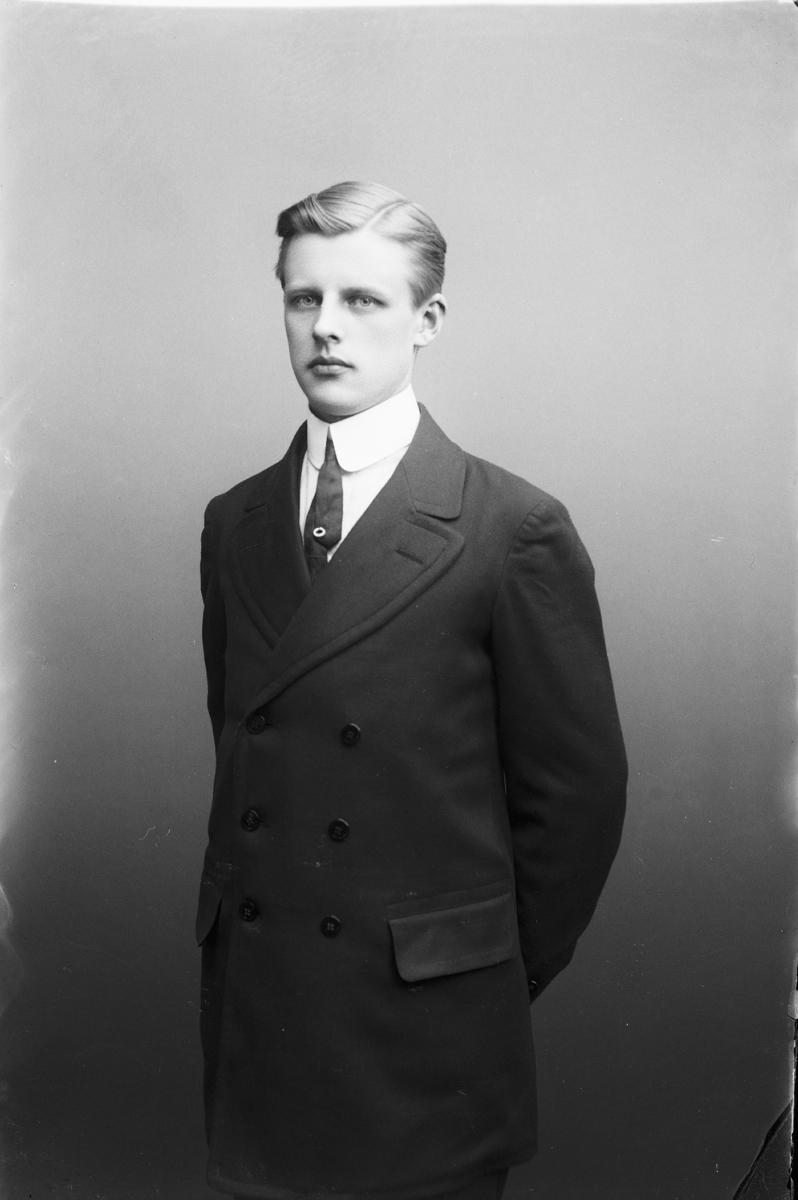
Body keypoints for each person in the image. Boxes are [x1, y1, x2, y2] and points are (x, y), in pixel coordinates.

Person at [197, 181, 627, 1200]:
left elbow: (577, 799)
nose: (327, 327)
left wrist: (472, 970)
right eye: (304, 299)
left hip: (423, 1036)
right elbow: (244, 746)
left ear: (427, 320)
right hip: (263, 1013)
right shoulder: (234, 522)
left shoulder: (509, 526)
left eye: (363, 300)